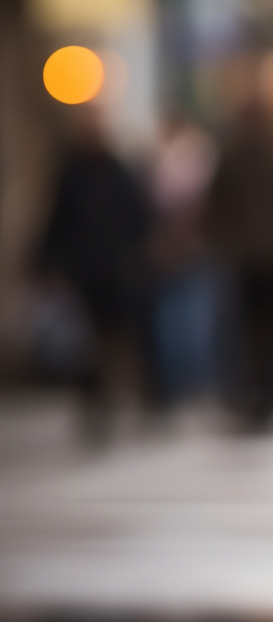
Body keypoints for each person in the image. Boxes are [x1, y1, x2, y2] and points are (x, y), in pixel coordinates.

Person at [37, 113, 155, 437]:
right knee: (84, 342)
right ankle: (93, 398)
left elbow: (139, 219)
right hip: (82, 272)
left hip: (116, 271)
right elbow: (57, 219)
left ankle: (121, 393)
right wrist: (46, 263)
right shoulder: (71, 173)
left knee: (117, 336)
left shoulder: (119, 172)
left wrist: (137, 257)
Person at [206, 97, 273, 427]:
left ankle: (251, 391)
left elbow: (215, 203)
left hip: (245, 259)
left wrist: (225, 245)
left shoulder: (232, 153)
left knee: (246, 329)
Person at [147, 115, 218, 405]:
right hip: (190, 249)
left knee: (180, 317)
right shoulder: (200, 158)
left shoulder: (166, 162)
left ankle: (182, 378)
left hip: (177, 250)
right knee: (189, 316)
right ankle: (191, 378)